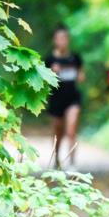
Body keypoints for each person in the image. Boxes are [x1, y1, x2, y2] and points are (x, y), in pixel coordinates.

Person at [44, 24, 84, 169]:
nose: (62, 41)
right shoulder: (49, 59)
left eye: (65, 38)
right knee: (58, 133)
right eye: (59, 38)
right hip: (56, 99)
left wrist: (78, 75)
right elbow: (42, 82)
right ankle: (56, 160)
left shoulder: (75, 58)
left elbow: (81, 76)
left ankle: (72, 163)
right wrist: (53, 73)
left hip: (73, 99)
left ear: (68, 40)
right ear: (55, 40)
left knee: (71, 129)